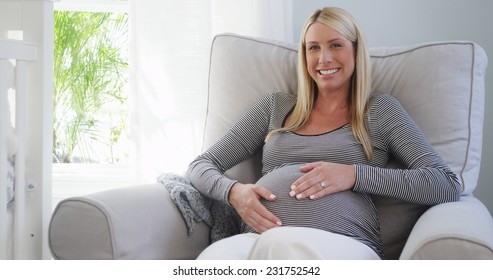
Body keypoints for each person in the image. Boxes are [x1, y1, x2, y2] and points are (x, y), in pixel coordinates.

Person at [186, 7, 461, 259]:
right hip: (257, 240)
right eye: (313, 48)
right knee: (214, 259)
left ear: (355, 51)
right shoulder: (276, 107)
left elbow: (445, 184)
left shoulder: (379, 110)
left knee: (279, 247)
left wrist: (353, 174)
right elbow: (200, 166)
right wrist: (234, 191)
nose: (323, 58)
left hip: (343, 244)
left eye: (336, 45)